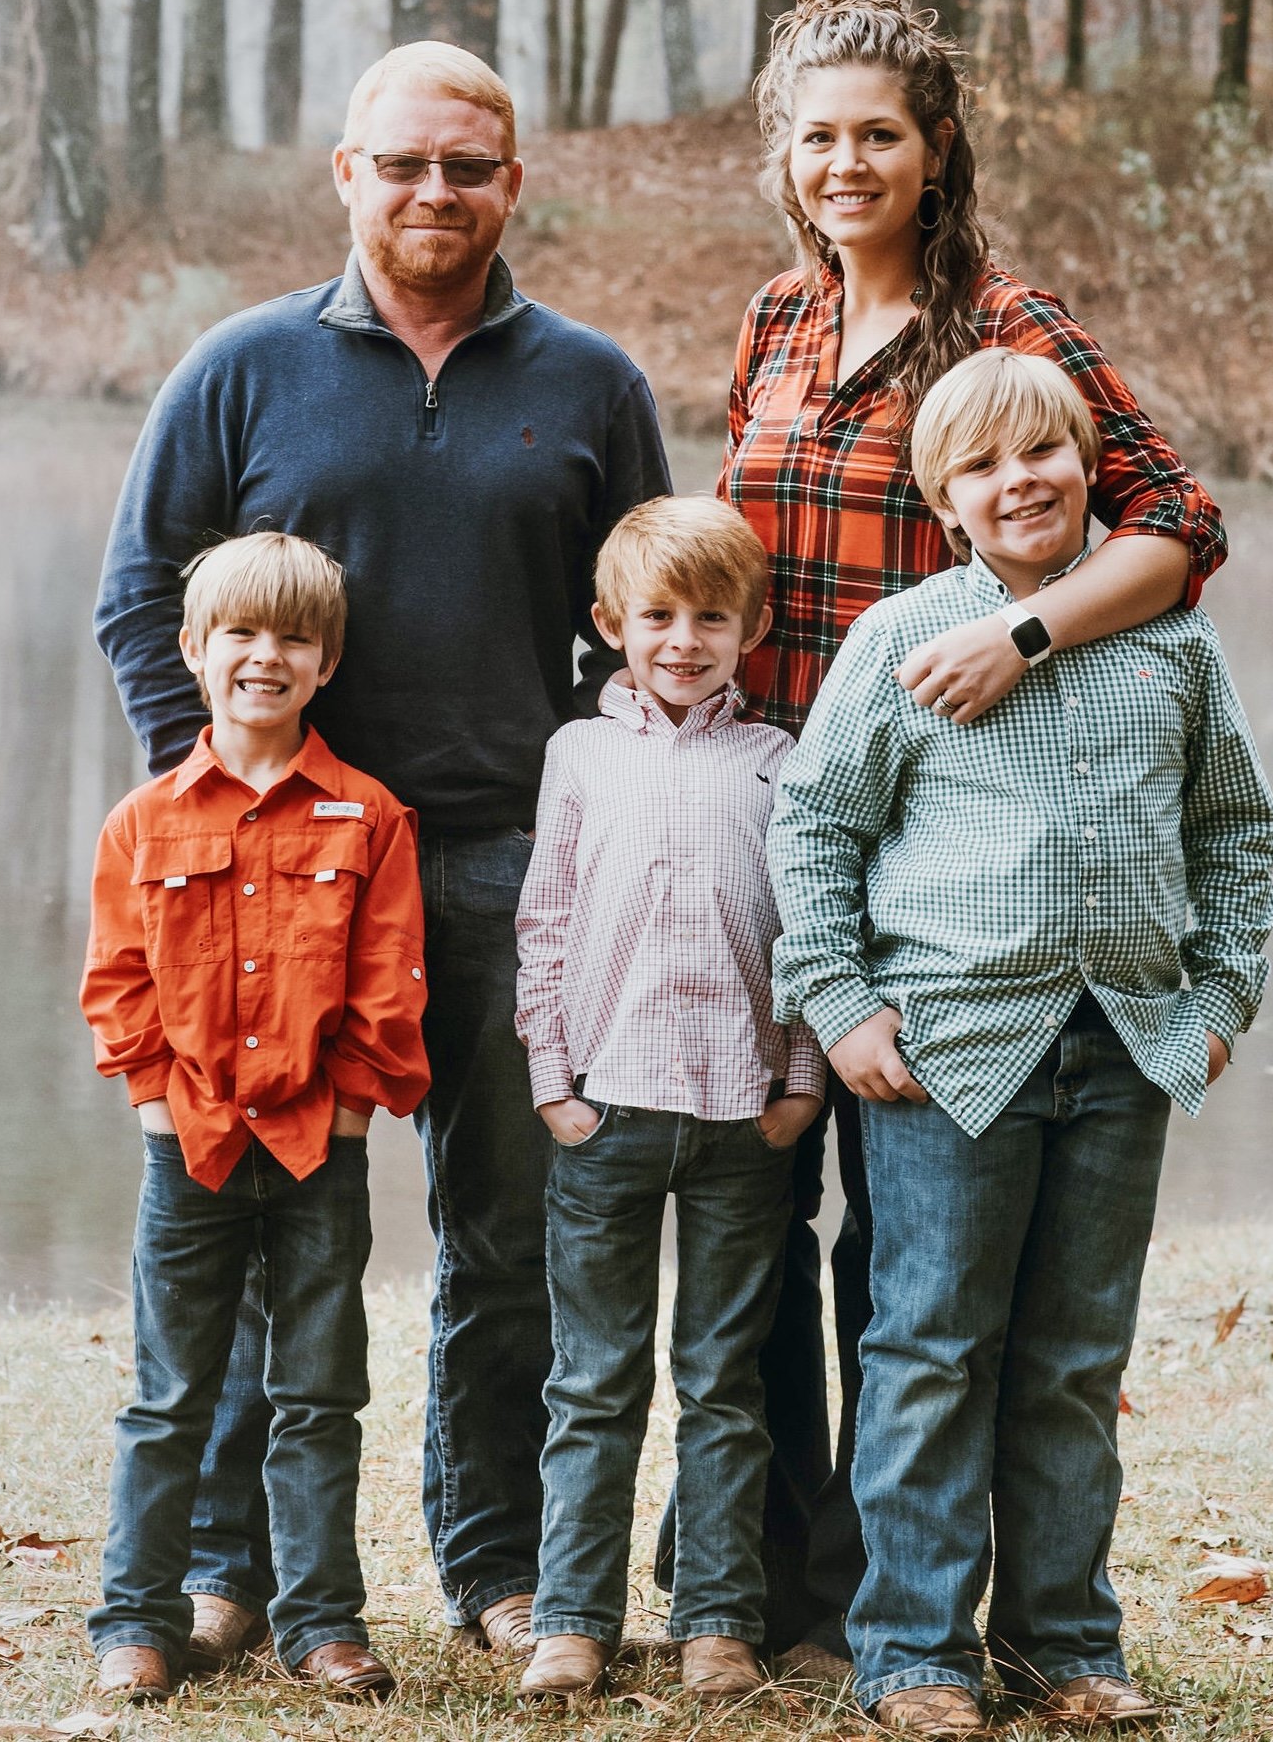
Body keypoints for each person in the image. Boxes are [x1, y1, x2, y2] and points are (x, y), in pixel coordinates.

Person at [94, 42, 669, 1670]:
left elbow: (638, 625)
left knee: (509, 1241)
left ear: (511, 183)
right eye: (402, 163)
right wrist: (218, 800)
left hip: (501, 872)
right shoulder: (241, 368)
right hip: (271, 885)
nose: (434, 193)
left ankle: (490, 1567)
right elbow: (143, 602)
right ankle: (230, 1576)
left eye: (467, 168)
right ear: (344, 173)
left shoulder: (589, 386)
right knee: (254, 1239)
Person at [719, 0, 1229, 1674]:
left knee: (918, 1273)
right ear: (784, 159)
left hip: (965, 825)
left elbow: (1171, 527)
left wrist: (1017, 636)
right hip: (791, 808)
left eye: (879, 136)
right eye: (819, 141)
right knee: (759, 1220)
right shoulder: (772, 328)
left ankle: (924, 1627)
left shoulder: (1000, 325)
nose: (846, 166)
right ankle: (788, 1592)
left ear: (933, 151)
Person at [770, 352, 1273, 1732]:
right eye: (984, 468)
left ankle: (1063, 1643)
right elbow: (813, 825)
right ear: (945, 500)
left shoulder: (1166, 637)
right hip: (947, 1049)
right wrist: (841, 999)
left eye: (1042, 454)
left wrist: (1221, 997)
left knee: (1070, 1359)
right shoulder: (900, 640)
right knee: (932, 1348)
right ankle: (914, 1652)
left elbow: (1233, 826)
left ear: (1086, 465)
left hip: (1123, 1044)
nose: (1020, 484)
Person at [80, 533, 430, 1706]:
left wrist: (345, 1110)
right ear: (193, 650)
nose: (264, 657)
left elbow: (389, 978)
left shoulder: (368, 816)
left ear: (326, 662)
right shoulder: (142, 821)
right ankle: (136, 1617)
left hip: (315, 1151)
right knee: (170, 1392)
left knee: (318, 1394)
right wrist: (146, 1100)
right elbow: (117, 981)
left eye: (292, 638)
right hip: (187, 1147)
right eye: (239, 634)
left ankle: (321, 1618)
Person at [513, 498, 827, 1706]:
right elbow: (542, 927)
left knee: (725, 1383)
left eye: (711, 616)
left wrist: (801, 1081)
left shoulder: (780, 762)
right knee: (593, 1381)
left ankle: (716, 1624)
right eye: (658, 615)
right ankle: (573, 1621)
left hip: (744, 1121)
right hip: (607, 1111)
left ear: (754, 626)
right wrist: (552, 1082)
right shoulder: (580, 754)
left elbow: (808, 935)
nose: (684, 638)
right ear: (612, 625)